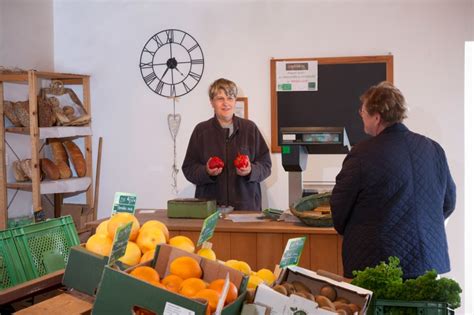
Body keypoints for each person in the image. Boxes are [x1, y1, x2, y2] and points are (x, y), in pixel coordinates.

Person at [330, 81, 456, 279]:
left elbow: (339, 209)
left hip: (376, 263)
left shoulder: (362, 154)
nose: (360, 114)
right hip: (427, 260)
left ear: (377, 117)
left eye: (363, 111)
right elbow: (449, 202)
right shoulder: (433, 148)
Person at [182, 78, 271, 210]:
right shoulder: (201, 131)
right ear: (212, 102)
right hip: (210, 209)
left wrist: (250, 170)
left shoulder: (250, 129)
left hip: (246, 210)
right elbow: (189, 169)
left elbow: (266, 166)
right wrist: (206, 171)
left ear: (235, 101)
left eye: (230, 98)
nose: (226, 103)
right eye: (220, 98)